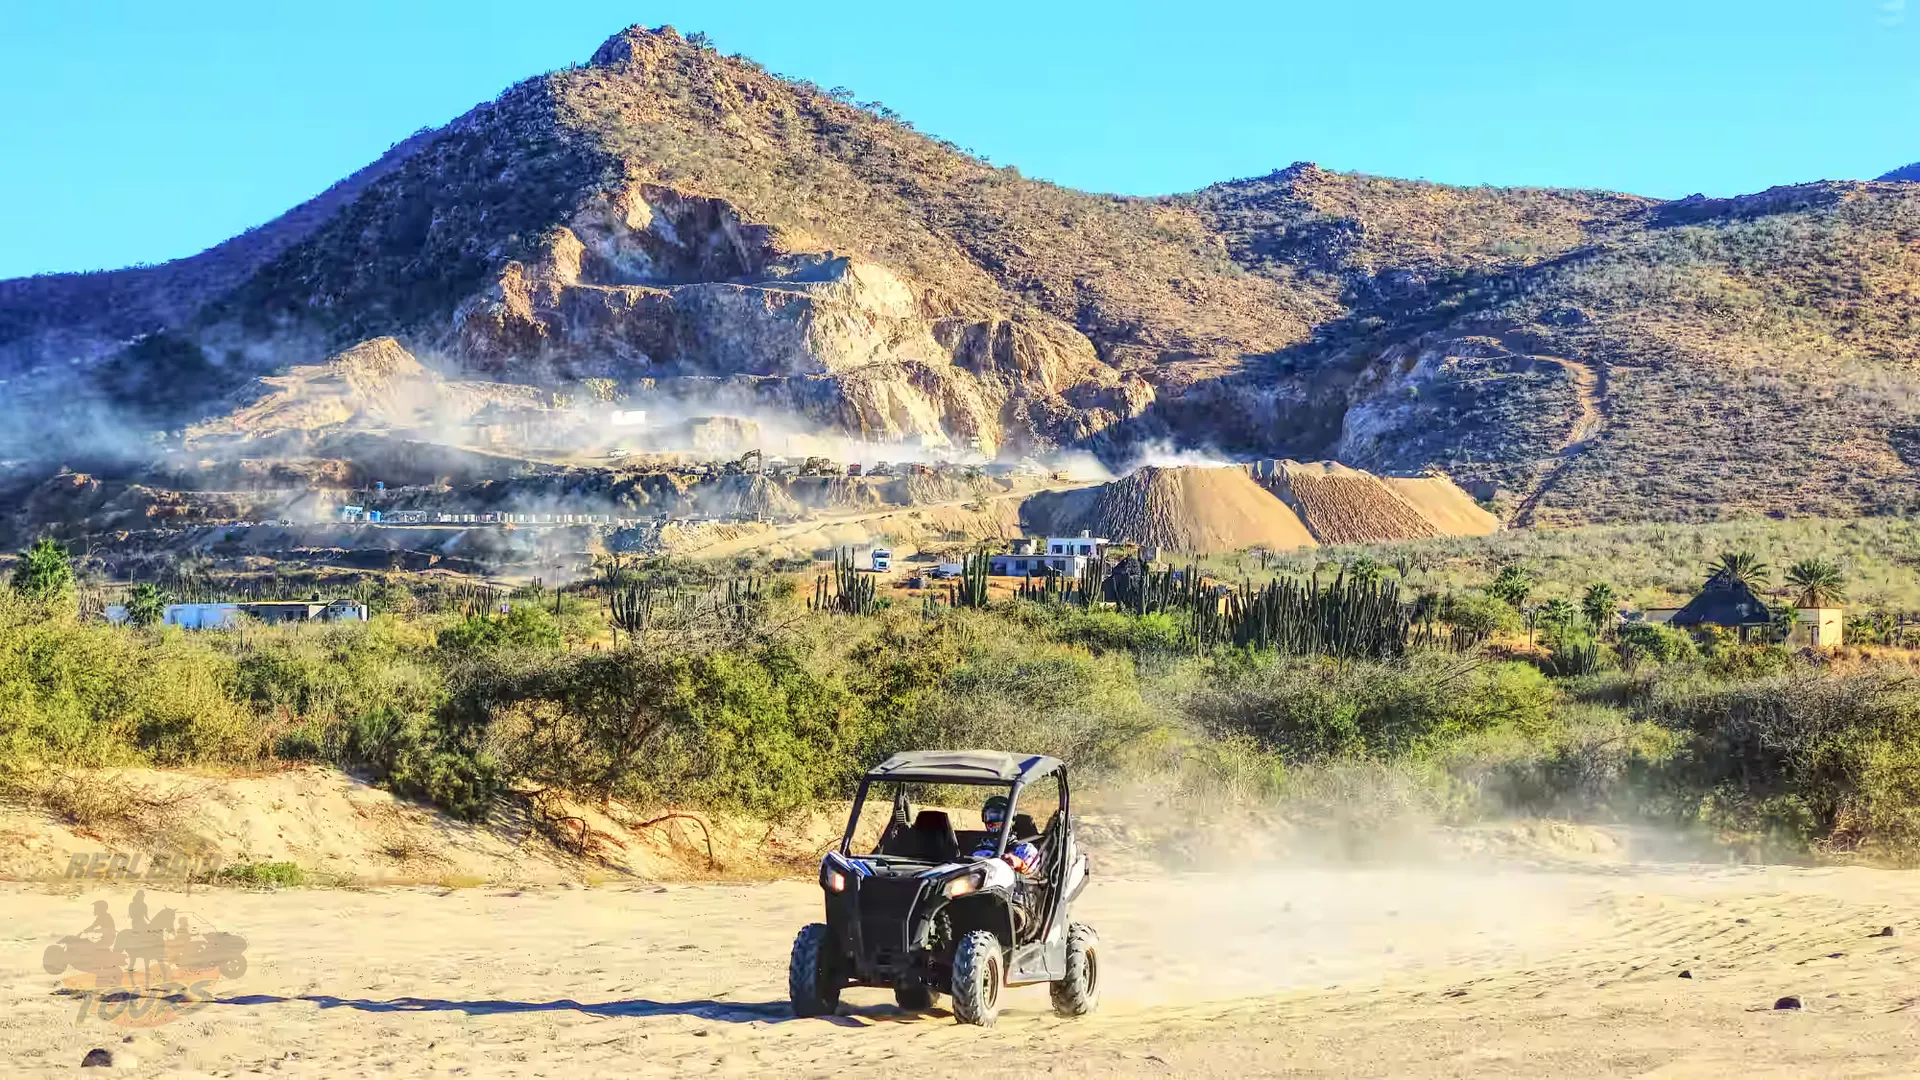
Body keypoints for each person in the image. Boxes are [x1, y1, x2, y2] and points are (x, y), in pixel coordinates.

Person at [970, 795, 1042, 877]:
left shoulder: (1025, 850)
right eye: (989, 816)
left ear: (1010, 819)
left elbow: (1035, 876)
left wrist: (1019, 864)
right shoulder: (978, 849)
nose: (992, 822)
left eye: (998, 816)